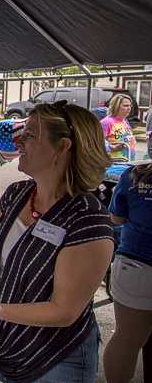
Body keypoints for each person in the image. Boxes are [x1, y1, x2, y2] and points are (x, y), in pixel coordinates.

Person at [0, 101, 114, 382]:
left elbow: (63, 310)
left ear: (63, 147)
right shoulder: (17, 194)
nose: (18, 139)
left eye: (31, 134)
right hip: (2, 345)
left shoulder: (86, 219)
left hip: (55, 359)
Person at [103, 161, 152, 383]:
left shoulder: (134, 174)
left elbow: (117, 218)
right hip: (137, 266)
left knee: (126, 339)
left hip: (134, 264)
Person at [101, 94, 137, 162]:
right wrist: (112, 147)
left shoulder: (125, 121)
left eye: (130, 105)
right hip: (114, 164)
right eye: (125, 105)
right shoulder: (106, 122)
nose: (129, 108)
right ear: (116, 106)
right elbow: (98, 142)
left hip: (128, 161)